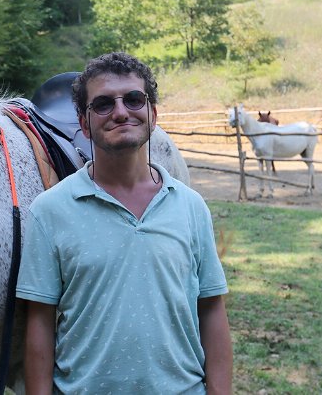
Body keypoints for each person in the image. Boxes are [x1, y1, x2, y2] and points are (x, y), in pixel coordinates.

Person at [16, 52, 232, 394]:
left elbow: (211, 312)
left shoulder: (191, 207)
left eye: (133, 99)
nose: (120, 112)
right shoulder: (49, 211)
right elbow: (40, 323)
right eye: (103, 104)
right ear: (84, 123)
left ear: (153, 113)